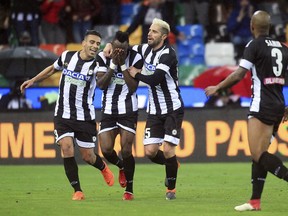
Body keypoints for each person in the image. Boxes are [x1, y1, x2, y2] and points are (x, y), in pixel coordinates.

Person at [205, 10, 288, 211]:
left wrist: (217, 87)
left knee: (258, 154)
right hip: (278, 105)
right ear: (268, 27)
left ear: (252, 26)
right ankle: (254, 201)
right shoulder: (283, 48)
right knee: (259, 154)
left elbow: (240, 73)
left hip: (261, 105)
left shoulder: (254, 45)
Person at [20, 30, 115, 201]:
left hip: (85, 116)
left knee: (88, 156)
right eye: (92, 42)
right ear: (83, 43)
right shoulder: (67, 56)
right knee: (67, 147)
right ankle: (77, 190)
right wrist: (33, 80)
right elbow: (52, 69)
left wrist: (109, 46)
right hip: (62, 114)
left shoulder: (97, 64)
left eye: (97, 44)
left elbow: (109, 60)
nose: (94, 46)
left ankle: (102, 168)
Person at [120, 18, 184, 200]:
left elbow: (156, 79)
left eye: (154, 32)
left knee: (169, 149)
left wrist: (137, 74)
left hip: (172, 108)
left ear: (163, 36)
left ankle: (171, 189)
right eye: (149, 30)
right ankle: (172, 164)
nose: (149, 33)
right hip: (154, 110)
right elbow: (128, 47)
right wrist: (111, 46)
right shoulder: (145, 49)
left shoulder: (168, 55)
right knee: (150, 151)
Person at [96, 31, 143, 200]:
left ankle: (129, 189)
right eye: (116, 48)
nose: (119, 52)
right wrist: (113, 65)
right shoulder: (103, 56)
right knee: (107, 150)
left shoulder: (136, 58)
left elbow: (132, 87)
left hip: (128, 110)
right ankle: (121, 166)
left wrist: (122, 65)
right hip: (108, 110)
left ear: (128, 46)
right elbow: (101, 85)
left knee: (126, 149)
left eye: (122, 49)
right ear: (112, 45)